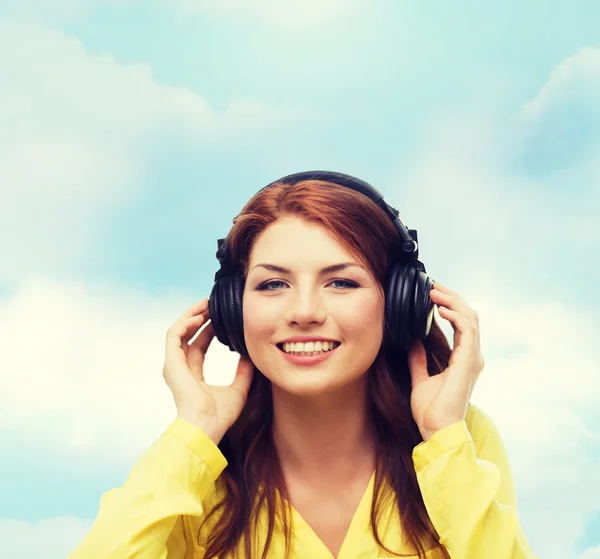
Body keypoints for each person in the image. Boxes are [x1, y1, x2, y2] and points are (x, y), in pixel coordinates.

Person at [68, 172, 538, 559]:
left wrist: (444, 439)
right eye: (273, 285)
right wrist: (192, 435)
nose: (304, 311)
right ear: (232, 309)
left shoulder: (458, 439)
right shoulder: (193, 466)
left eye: (341, 283)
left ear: (400, 303)